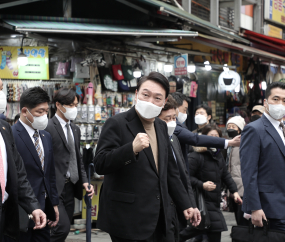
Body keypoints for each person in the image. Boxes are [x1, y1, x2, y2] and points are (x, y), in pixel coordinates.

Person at [94, 72, 201, 242]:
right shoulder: (117, 123)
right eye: (145, 95)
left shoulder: (160, 126)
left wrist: (186, 203)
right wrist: (131, 149)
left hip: (160, 217)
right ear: (136, 94)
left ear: (165, 101)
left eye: (157, 98)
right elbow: (100, 163)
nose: (150, 101)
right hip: (128, 219)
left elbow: (171, 173)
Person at [45, 88, 94, 242]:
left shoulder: (75, 129)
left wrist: (85, 181)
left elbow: (77, 158)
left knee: (61, 230)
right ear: (58, 105)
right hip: (54, 188)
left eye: (76, 105)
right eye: (71, 105)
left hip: (70, 187)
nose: (74, 109)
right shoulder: (48, 127)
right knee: (62, 227)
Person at [0, 78, 46, 242]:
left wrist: (34, 207)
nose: (1, 95)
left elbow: (18, 175)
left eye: (1, 89)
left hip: (6, 216)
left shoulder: (4, 129)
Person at [11, 87, 59, 242]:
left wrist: (54, 204)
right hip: (22, 211)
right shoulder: (11, 136)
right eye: (39, 112)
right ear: (25, 111)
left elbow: (49, 174)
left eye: (46, 111)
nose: (44, 116)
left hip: (44, 210)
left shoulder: (46, 136)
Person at [180, 124, 242, 242]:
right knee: (196, 232)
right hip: (200, 203)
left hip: (214, 203)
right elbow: (185, 177)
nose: (214, 139)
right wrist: (202, 184)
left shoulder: (218, 155)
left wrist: (234, 191)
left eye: (216, 136)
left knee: (211, 232)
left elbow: (225, 175)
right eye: (211, 136)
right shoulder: (196, 156)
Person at [240, 82, 285, 230]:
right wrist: (254, 208)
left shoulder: (282, 128)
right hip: (268, 208)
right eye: (276, 99)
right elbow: (249, 172)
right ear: (266, 102)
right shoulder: (254, 129)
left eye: (284, 101)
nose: (280, 104)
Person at [158, 95, 197, 242]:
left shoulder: (173, 139)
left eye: (174, 118)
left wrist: (190, 205)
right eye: (167, 119)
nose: (172, 123)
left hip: (176, 211)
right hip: (158, 213)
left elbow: (183, 176)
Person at [171, 93, 241, 172]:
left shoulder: (181, 127)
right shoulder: (174, 126)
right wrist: (229, 142)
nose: (185, 113)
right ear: (175, 107)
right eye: (184, 110)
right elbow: (195, 139)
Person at [226, 116, 248, 226]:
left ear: (239, 129)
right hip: (233, 188)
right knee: (237, 219)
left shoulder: (244, 143)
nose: (230, 128)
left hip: (242, 188)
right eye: (228, 126)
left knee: (242, 220)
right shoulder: (229, 144)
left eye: (233, 126)